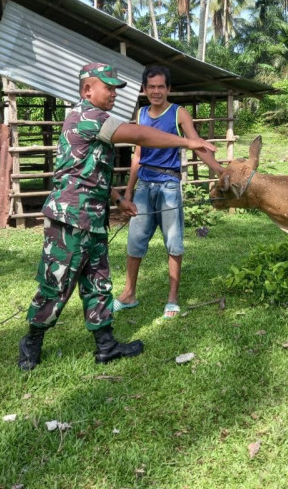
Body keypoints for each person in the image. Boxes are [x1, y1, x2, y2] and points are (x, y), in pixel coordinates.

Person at [18, 62, 217, 371]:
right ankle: (31, 342)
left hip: (92, 218)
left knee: (98, 282)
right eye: (108, 88)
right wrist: (187, 141)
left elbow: (90, 170)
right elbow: (139, 136)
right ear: (88, 90)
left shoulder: (94, 120)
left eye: (115, 89)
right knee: (56, 284)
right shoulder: (87, 117)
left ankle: (106, 345)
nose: (113, 94)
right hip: (70, 219)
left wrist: (119, 199)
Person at [114, 65, 223, 319]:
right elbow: (137, 154)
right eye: (151, 87)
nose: (156, 91)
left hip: (169, 185)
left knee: (173, 242)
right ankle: (129, 294)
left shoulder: (178, 113)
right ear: (144, 89)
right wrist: (129, 190)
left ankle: (172, 299)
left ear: (168, 88)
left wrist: (219, 170)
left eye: (161, 86)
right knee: (135, 241)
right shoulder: (141, 114)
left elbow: (196, 144)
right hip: (144, 185)